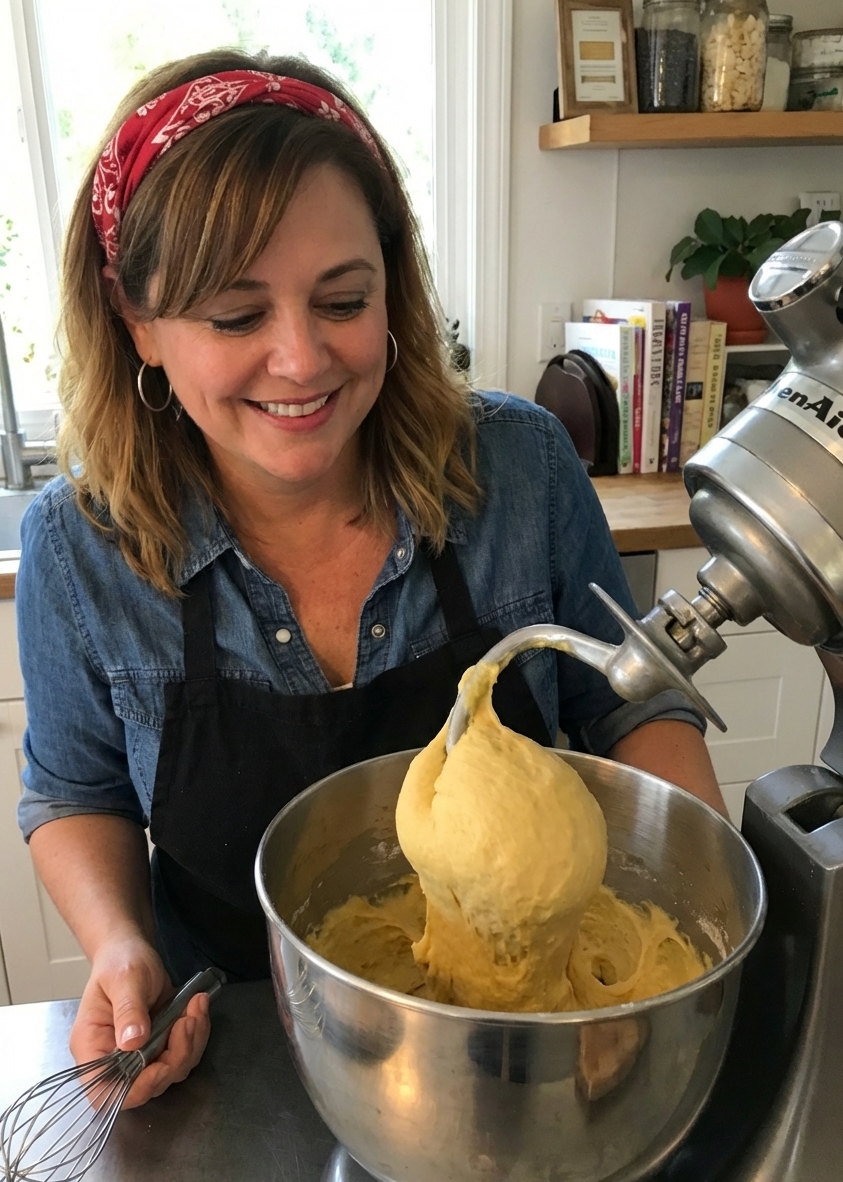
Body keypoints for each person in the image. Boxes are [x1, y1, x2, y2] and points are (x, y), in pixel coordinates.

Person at [16, 49, 726, 1109]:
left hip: (528, 1056)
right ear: (137, 322)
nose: (301, 360)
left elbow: (636, 706)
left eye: (343, 299)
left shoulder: (519, 470)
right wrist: (119, 946)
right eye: (236, 316)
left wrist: (691, 926)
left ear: (392, 285)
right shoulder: (81, 550)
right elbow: (77, 794)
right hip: (234, 1053)